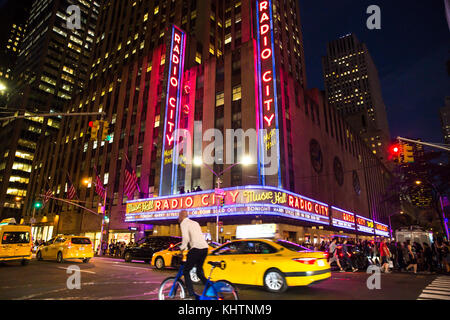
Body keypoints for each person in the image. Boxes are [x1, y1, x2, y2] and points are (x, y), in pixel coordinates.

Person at [178, 210, 209, 299]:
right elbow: (195, 238)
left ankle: (191, 294)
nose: (178, 218)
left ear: (182, 216)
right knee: (199, 272)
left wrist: (181, 249)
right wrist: (187, 248)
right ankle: (211, 287)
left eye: (179, 216)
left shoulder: (183, 223)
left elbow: (186, 238)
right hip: (204, 249)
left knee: (186, 271)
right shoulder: (195, 223)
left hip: (196, 249)